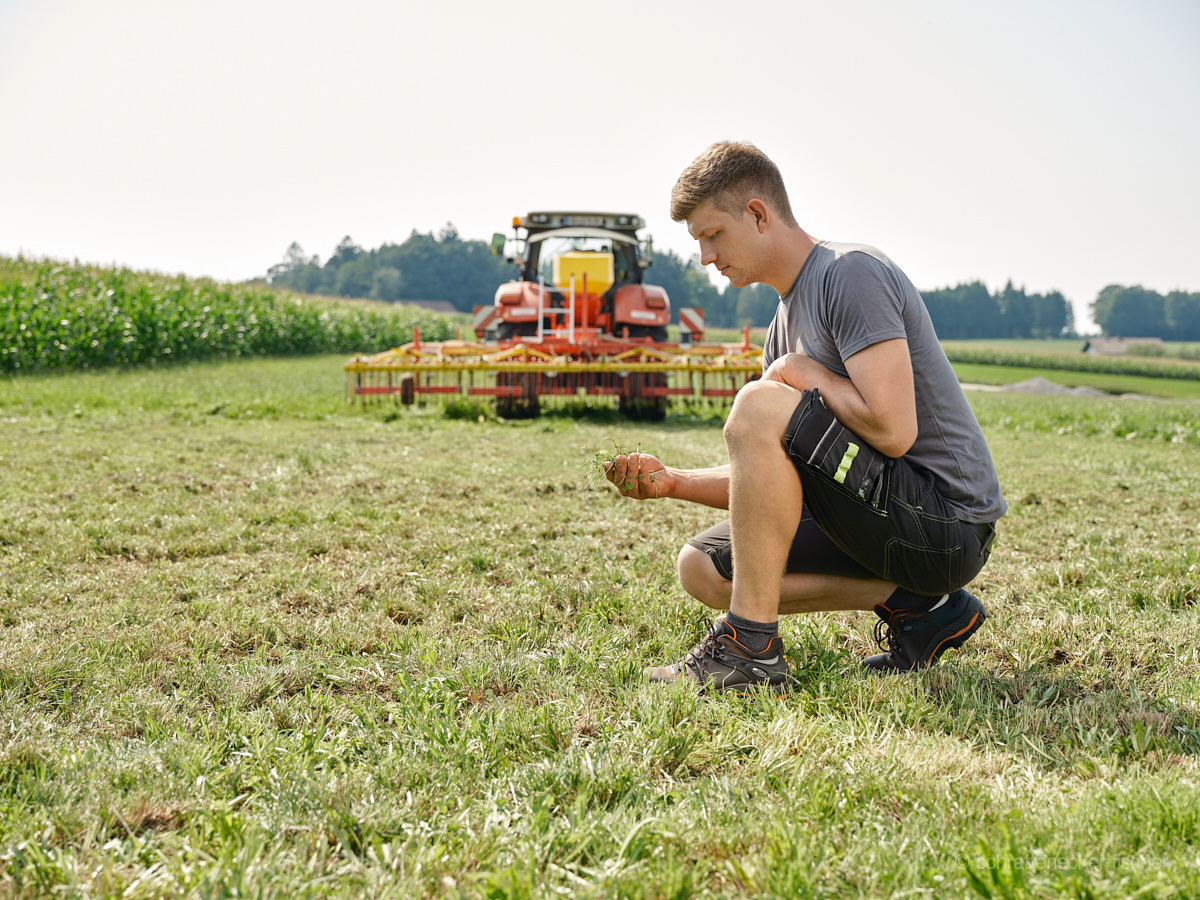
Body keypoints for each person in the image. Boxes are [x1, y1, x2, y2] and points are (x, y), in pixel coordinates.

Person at [604, 141, 1006, 690]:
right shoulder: (781, 325)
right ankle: (919, 606)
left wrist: (804, 372)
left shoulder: (850, 274)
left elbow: (894, 430)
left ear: (757, 214)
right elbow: (768, 484)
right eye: (698, 241)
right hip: (879, 519)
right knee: (702, 567)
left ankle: (749, 646)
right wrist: (674, 482)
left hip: (946, 524)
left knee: (758, 402)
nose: (705, 256)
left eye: (712, 234)